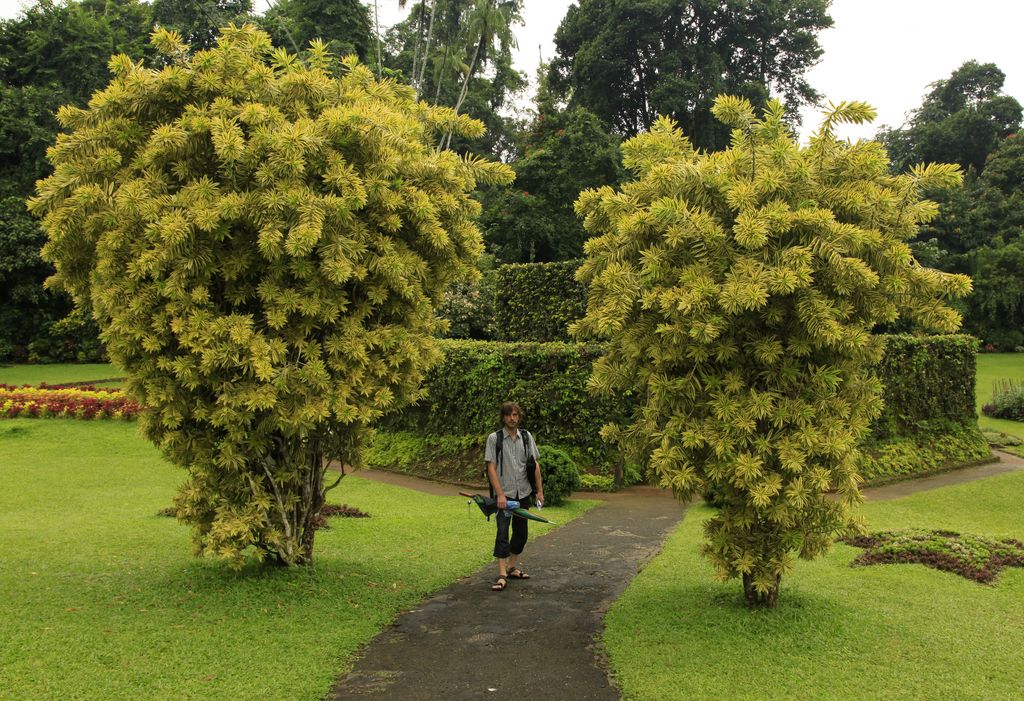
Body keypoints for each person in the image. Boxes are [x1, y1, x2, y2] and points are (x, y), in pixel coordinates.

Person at [484, 401, 543, 592]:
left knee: (521, 534)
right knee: (502, 533)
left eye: (515, 415)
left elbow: (535, 465)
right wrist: (499, 494)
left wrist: (539, 491)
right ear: (503, 417)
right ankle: (502, 574)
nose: (512, 418)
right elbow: (490, 467)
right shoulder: (495, 439)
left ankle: (511, 567)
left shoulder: (526, 437)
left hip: (523, 493)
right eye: (509, 415)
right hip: (505, 495)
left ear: (519, 417)